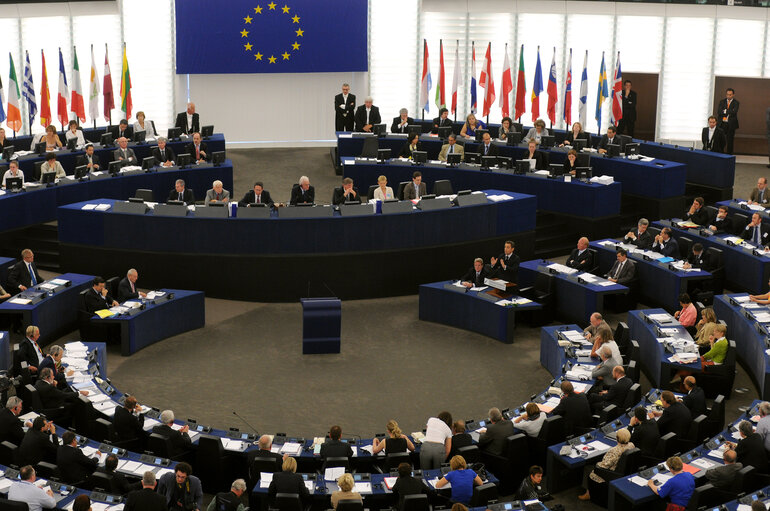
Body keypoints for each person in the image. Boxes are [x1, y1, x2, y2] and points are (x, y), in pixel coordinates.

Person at [578, 428, 634, 500]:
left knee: (588, 468)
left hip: (609, 473)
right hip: (623, 471)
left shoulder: (614, 451)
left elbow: (603, 466)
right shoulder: (631, 445)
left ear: (617, 438)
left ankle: (588, 494)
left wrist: (597, 463)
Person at [717, 88, 739, 155]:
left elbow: (734, 112)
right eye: (727, 94)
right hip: (722, 123)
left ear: (733, 95)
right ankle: (720, 154)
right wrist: (729, 111)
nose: (728, 96)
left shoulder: (736, 103)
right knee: (721, 140)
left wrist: (725, 111)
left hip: (731, 124)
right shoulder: (722, 102)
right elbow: (719, 112)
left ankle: (729, 155)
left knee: (730, 141)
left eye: (730, 95)